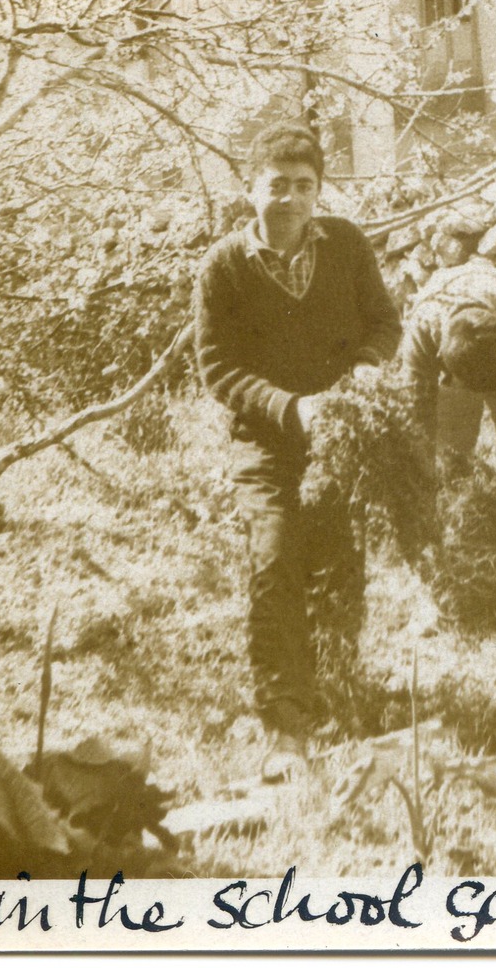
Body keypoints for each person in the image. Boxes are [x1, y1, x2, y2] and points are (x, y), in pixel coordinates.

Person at [194, 121, 401, 778]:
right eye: (276, 185)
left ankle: (336, 700)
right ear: (249, 189)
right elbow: (216, 367)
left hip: (338, 437)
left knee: (339, 565)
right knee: (276, 561)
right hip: (267, 446)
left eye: (303, 187)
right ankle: (286, 729)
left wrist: (365, 369)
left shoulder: (345, 246)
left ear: (319, 192)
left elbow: (384, 322)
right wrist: (290, 409)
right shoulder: (223, 267)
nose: (289, 199)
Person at [397, 258, 496, 520]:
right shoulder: (423, 328)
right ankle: (455, 547)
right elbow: (416, 408)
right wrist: (422, 480)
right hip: (453, 351)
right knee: (450, 466)